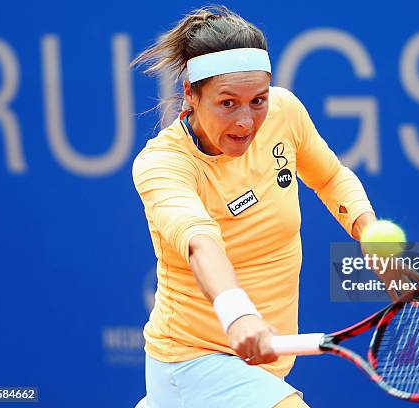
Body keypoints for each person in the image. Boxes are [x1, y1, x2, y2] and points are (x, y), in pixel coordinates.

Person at [131, 5, 387, 407]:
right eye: (227, 103)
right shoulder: (163, 164)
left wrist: (372, 237)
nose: (246, 121)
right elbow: (200, 242)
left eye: (258, 101)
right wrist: (238, 314)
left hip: (262, 369)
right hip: (193, 362)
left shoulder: (284, 113)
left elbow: (330, 177)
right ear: (191, 95)